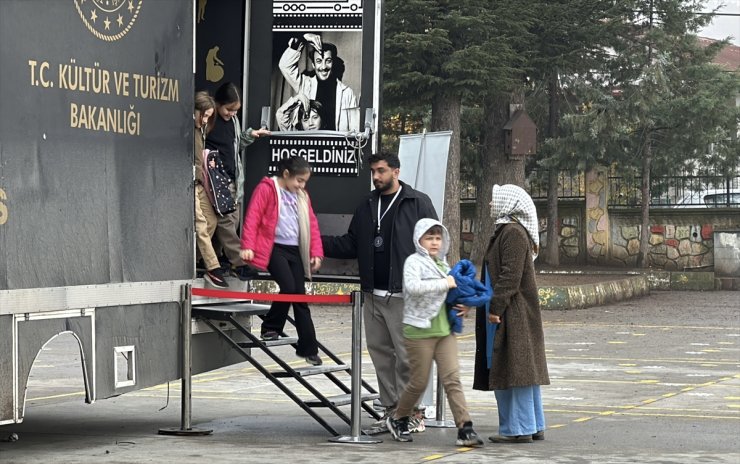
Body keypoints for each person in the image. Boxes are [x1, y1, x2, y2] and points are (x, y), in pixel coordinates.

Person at [322, 152, 437, 431]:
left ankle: (414, 414)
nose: (376, 176)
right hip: (373, 293)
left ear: (396, 171)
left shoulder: (417, 202)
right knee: (381, 356)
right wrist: (315, 241)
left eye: (381, 171)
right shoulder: (367, 204)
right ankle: (390, 411)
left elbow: (435, 245)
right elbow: (351, 244)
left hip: (405, 295)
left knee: (408, 357)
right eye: (373, 171)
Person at [385, 218, 484, 447]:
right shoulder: (413, 262)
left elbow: (454, 291)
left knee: (452, 379)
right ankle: (399, 418)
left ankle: (465, 428)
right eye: (429, 238)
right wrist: (445, 283)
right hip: (419, 330)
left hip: (444, 331)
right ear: (419, 239)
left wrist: (466, 305)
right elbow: (412, 288)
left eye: (438, 238)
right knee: (419, 382)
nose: (434, 242)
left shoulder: (444, 264)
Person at [473, 184, 549, 444]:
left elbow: (510, 276)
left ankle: (516, 429)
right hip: (513, 311)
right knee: (522, 370)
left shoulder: (513, 232)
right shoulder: (510, 230)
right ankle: (532, 424)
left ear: (508, 203)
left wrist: (495, 308)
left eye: (494, 201)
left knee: (511, 368)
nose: (491, 205)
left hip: (511, 313)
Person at [240, 156, 324, 366]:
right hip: (273, 248)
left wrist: (316, 252)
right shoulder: (268, 188)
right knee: (288, 287)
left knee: (300, 298)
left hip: (295, 250)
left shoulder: (302, 196)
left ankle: (309, 347)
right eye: (299, 181)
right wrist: (248, 246)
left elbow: (311, 224)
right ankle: (271, 326)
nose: (302, 186)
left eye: (305, 182)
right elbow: (253, 217)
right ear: (286, 174)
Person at [206, 82, 270, 280]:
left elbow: (235, 146)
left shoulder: (233, 122)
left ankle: (215, 258)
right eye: (228, 109)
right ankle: (238, 262)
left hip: (233, 180)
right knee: (225, 222)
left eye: (235, 110)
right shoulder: (209, 121)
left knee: (230, 222)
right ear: (217, 103)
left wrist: (249, 135)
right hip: (215, 180)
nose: (232, 113)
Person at [278, 33, 358, 131]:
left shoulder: (347, 93)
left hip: (336, 145)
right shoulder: (305, 84)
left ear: (333, 63)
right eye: (319, 61)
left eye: (328, 61)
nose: (323, 67)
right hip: (308, 144)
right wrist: (303, 39)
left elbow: (355, 131)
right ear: (313, 65)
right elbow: (284, 65)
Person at [193, 91, 227, 288]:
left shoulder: (201, 130)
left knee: (211, 220)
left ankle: (196, 258)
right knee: (199, 223)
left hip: (199, 182)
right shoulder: (188, 129)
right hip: (188, 183)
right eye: (203, 115)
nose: (205, 120)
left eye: (208, 116)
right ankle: (212, 267)